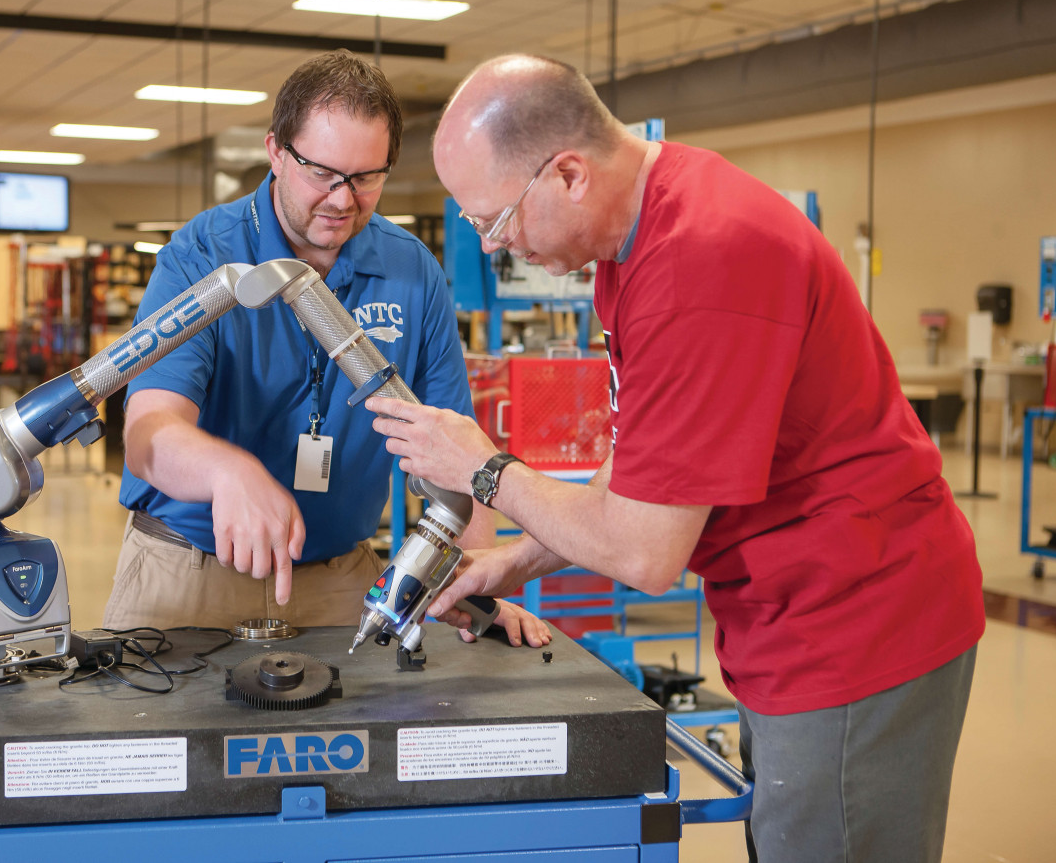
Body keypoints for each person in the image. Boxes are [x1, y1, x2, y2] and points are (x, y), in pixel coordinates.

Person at [366, 54, 983, 862]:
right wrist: (512, 562)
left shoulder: (702, 258)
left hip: (856, 625)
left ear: (569, 174)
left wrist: (486, 469)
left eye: (497, 219)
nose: (494, 244)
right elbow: (644, 471)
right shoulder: (637, 243)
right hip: (786, 613)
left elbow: (645, 552)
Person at [104, 49, 549, 648]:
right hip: (186, 574)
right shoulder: (200, 257)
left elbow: (455, 453)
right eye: (322, 173)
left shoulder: (412, 271)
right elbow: (147, 434)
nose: (342, 200)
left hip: (341, 580)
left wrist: (479, 583)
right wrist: (228, 471)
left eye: (366, 178)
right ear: (276, 152)